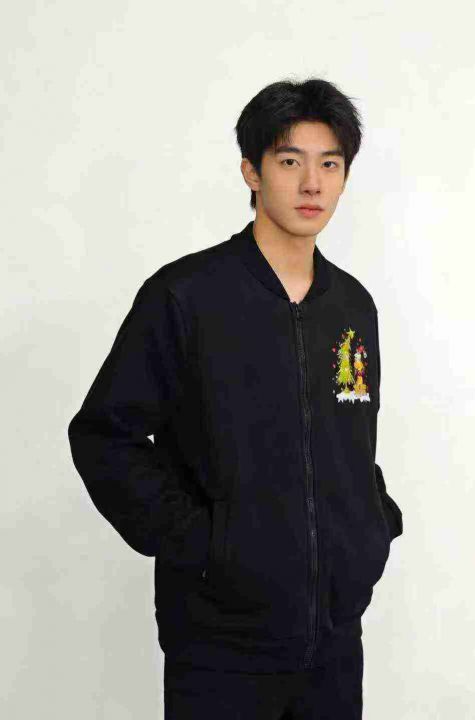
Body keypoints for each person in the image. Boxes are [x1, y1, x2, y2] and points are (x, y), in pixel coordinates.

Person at [67, 76, 403, 719]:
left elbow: (350, 442)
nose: (312, 184)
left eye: (330, 164)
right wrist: (206, 544)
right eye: (290, 162)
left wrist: (371, 525)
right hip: (220, 649)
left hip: (334, 646)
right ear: (252, 171)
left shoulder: (352, 306)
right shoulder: (186, 296)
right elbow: (105, 436)